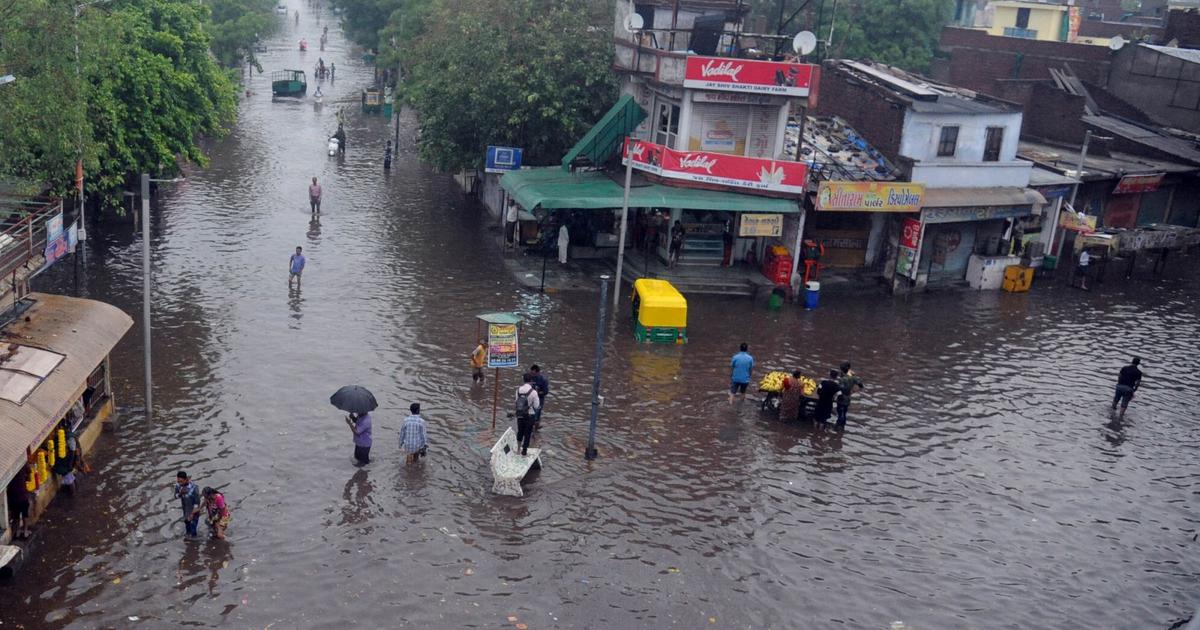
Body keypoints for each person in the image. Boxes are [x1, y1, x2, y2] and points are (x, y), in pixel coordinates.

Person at [514, 373, 541, 456]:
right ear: (531, 381)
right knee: (527, 434)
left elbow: (516, 402)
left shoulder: (518, 390)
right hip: (530, 415)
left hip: (520, 415)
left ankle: (518, 449)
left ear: (523, 380)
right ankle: (524, 452)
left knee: (520, 432)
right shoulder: (533, 392)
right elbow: (536, 406)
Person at [836, 361, 865, 428]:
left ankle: (838, 425)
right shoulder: (853, 377)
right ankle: (842, 425)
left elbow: (839, 388)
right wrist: (853, 391)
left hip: (841, 397)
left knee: (840, 412)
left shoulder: (842, 379)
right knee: (845, 411)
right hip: (848, 397)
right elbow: (861, 385)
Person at [174, 471, 202, 538]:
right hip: (185, 509)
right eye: (178, 481)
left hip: (194, 511)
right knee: (187, 525)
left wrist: (192, 514)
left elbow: (197, 502)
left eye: (181, 481)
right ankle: (188, 540)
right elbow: (175, 496)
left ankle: (194, 543)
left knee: (193, 528)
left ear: (186, 479)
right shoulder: (178, 486)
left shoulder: (194, 488)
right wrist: (180, 493)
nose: (179, 483)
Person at [528, 364, 549, 429]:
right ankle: (530, 426)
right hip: (530, 398)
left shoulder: (543, 380)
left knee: (537, 413)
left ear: (538, 372)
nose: (532, 375)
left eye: (534, 373)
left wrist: (537, 393)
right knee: (529, 413)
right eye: (531, 373)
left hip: (539, 399)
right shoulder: (529, 377)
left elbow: (545, 392)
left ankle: (536, 427)